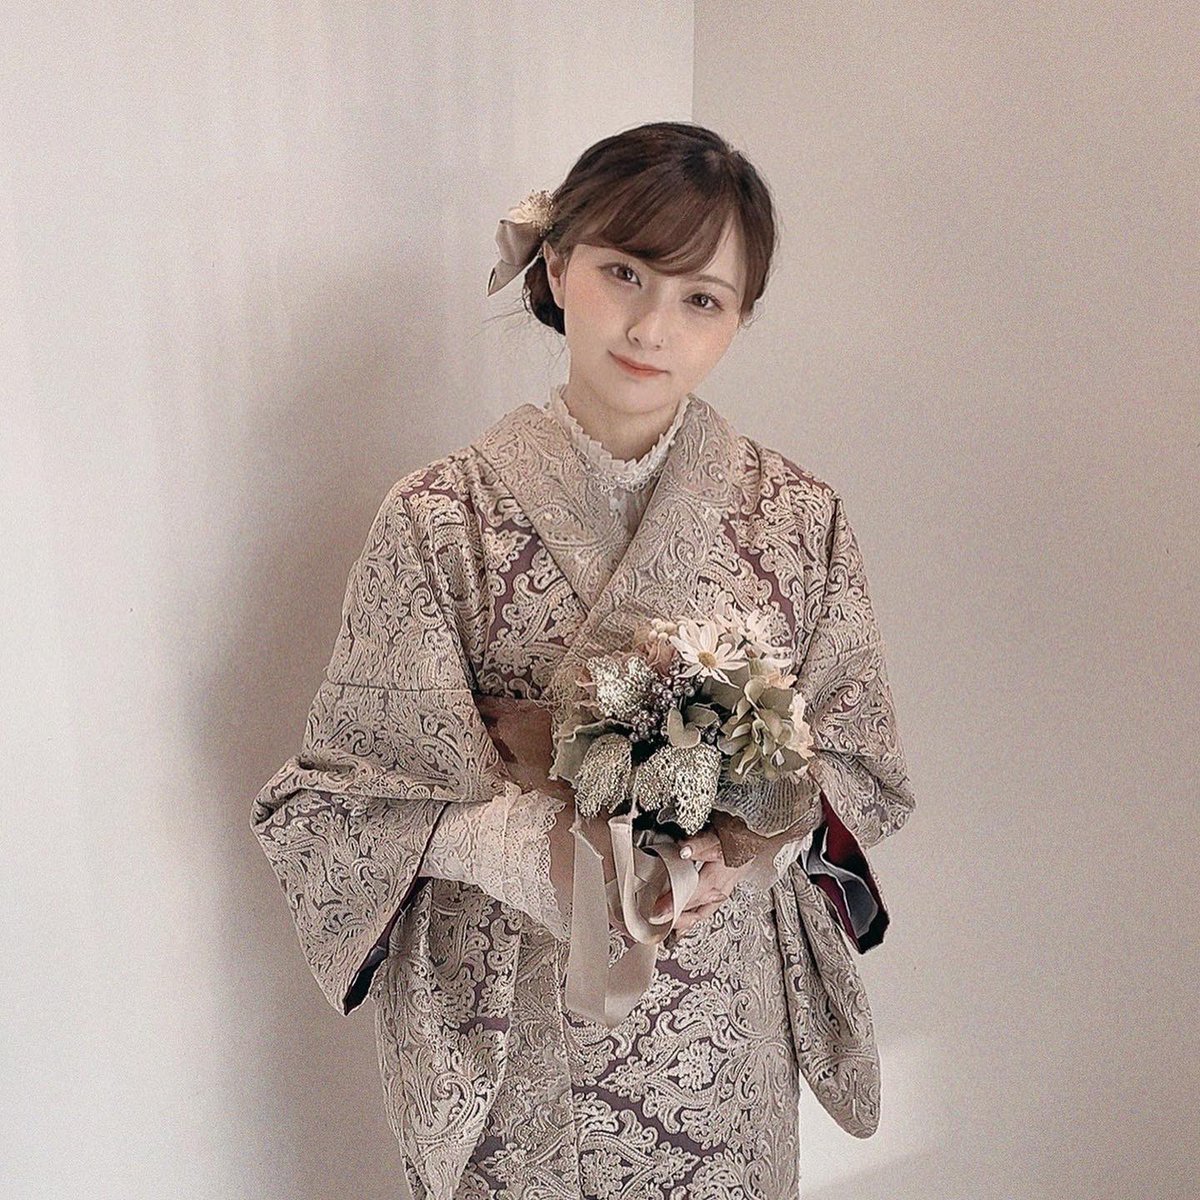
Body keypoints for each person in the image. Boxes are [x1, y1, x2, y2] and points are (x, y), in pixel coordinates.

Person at [251, 120, 915, 1200]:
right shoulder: (438, 520)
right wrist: (530, 847)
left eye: (702, 298)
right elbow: (338, 807)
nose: (653, 326)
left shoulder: (801, 520)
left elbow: (862, 762)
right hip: (523, 1024)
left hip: (723, 1034)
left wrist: (740, 845)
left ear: (740, 319)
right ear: (559, 267)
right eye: (625, 273)